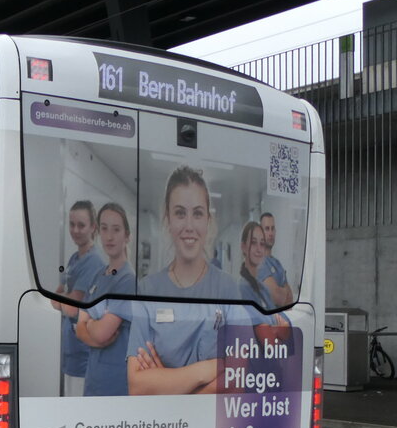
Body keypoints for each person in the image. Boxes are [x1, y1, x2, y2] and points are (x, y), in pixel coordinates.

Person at [127, 166, 252, 395]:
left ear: (208, 220)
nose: (189, 226)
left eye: (197, 213)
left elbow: (237, 379)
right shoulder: (148, 290)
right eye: (180, 213)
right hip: (161, 425)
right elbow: (137, 385)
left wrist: (165, 380)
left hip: (212, 424)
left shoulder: (226, 289)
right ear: (168, 219)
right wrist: (209, 369)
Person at [75, 203, 135, 396]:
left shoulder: (128, 281)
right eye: (104, 228)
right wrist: (93, 329)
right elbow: (79, 328)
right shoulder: (98, 276)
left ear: (127, 236)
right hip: (94, 379)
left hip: (115, 383)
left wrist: (91, 324)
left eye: (116, 230)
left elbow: (101, 332)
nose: (109, 236)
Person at [52, 200, 104, 396]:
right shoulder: (75, 258)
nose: (75, 230)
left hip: (82, 354)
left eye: (81, 225)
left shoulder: (93, 262)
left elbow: (72, 307)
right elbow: (60, 295)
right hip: (69, 351)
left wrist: (61, 300)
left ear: (93, 227)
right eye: (72, 224)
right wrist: (62, 300)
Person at [258, 212, 293, 306]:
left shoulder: (277, 263)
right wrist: (283, 290)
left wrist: (281, 291)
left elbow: (290, 299)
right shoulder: (259, 263)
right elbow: (277, 297)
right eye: (267, 229)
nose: (270, 233)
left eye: (272, 229)